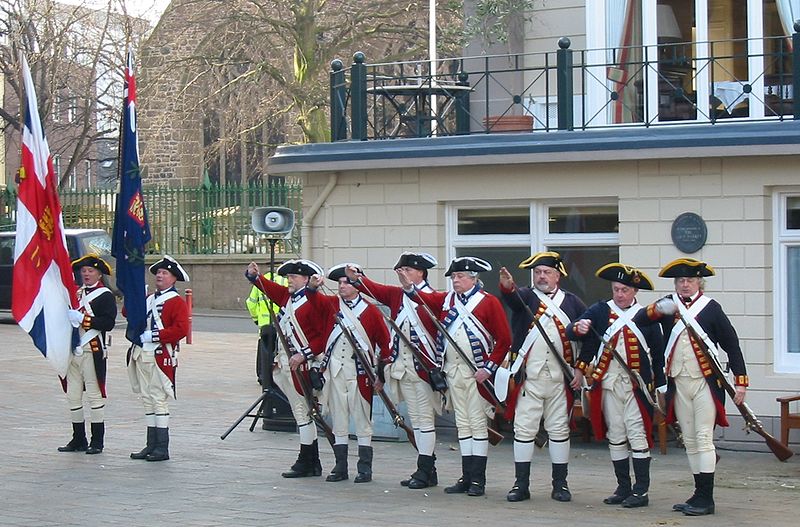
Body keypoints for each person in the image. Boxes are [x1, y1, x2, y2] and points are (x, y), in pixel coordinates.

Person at [634, 257, 748, 516]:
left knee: (704, 437)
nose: (685, 285)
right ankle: (698, 493)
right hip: (678, 382)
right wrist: (658, 308)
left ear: (699, 282)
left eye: (690, 280)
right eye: (681, 280)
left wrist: (740, 381)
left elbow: (731, 344)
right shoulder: (669, 306)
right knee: (690, 439)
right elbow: (641, 319)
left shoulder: (711, 308)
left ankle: (707, 498)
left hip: (705, 383)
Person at [402, 256, 511, 498]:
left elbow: (504, 339)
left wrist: (489, 368)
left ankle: (477, 480)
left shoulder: (488, 302)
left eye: (460, 276)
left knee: (477, 424)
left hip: (477, 374)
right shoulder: (446, 299)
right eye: (454, 276)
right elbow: (423, 299)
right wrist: (409, 286)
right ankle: (466, 476)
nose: (456, 280)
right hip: (453, 371)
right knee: (463, 425)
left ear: (474, 278)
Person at [566, 263, 665, 508]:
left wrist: (661, 387)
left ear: (635, 292)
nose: (620, 294)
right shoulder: (600, 310)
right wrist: (578, 328)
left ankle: (641, 491)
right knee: (616, 434)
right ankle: (623, 487)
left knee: (637, 434)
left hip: (635, 387)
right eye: (616, 289)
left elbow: (659, 353)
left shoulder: (646, 316)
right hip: (608, 383)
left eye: (625, 290)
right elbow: (576, 331)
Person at [345, 252, 443, 489]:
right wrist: (357, 278)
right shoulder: (397, 295)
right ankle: (427, 469)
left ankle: (425, 470)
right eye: (402, 271)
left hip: (424, 369)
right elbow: (375, 290)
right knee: (417, 421)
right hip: (403, 369)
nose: (404, 275)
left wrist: (411, 290)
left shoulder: (435, 297)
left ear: (421, 273)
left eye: (409, 270)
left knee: (424, 420)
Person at [496, 251, 586, 503]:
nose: (541, 276)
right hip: (530, 379)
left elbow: (587, 334)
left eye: (547, 272)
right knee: (523, 430)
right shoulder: (526, 296)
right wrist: (506, 286)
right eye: (537, 272)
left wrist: (580, 367)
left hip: (559, 380)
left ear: (558, 276)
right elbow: (512, 298)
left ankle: (560, 485)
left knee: (558, 431)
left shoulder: (572, 302)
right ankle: (520, 485)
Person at [245, 258, 329, 478]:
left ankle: (309, 459)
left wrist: (305, 354)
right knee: (301, 412)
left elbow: (323, 336)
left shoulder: (314, 302)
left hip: (306, 366)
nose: (289, 280)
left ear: (306, 279)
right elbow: (266, 287)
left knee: (305, 412)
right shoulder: (287, 298)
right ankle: (309, 459)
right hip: (288, 366)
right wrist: (254, 276)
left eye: (294, 277)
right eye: (289, 276)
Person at [311, 263, 390, 484]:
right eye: (340, 283)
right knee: (339, 418)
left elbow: (385, 344)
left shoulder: (371, 310)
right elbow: (312, 302)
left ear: (358, 285)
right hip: (335, 371)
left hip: (360, 372)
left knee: (362, 418)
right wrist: (314, 287)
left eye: (347, 282)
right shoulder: (331, 305)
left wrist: (381, 374)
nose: (342, 286)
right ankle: (340, 466)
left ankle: (364, 468)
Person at [127, 255, 190, 462]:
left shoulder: (176, 302)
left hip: (160, 354)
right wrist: (135, 294)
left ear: (173, 279)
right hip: (142, 353)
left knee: (158, 398)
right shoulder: (149, 299)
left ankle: (162, 448)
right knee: (147, 399)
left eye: (164, 273)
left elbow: (181, 329)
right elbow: (128, 312)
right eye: (159, 273)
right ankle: (151, 445)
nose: (160, 276)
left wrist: (154, 336)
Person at [58, 254, 117, 454]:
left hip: (91, 349)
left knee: (94, 395)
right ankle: (78, 439)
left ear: (99, 274)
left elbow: (108, 323)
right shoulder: (76, 293)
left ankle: (97, 441)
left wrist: (84, 319)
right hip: (73, 350)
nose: (86, 274)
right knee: (73, 395)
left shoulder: (105, 295)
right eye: (83, 271)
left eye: (90, 271)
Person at [245, 273, 288, 385]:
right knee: (278, 350)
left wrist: (256, 319)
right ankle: (276, 376)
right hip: (280, 323)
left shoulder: (261, 280)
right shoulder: (284, 281)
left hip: (264, 323)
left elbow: (251, 303)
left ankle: (262, 375)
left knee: (264, 350)